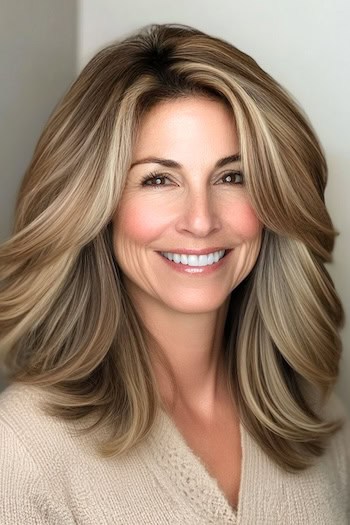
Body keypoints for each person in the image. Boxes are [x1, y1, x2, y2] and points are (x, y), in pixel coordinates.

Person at [0, 23, 349, 524]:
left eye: (232, 176)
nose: (201, 219)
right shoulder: (22, 449)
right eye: (158, 179)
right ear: (98, 205)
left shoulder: (318, 415)